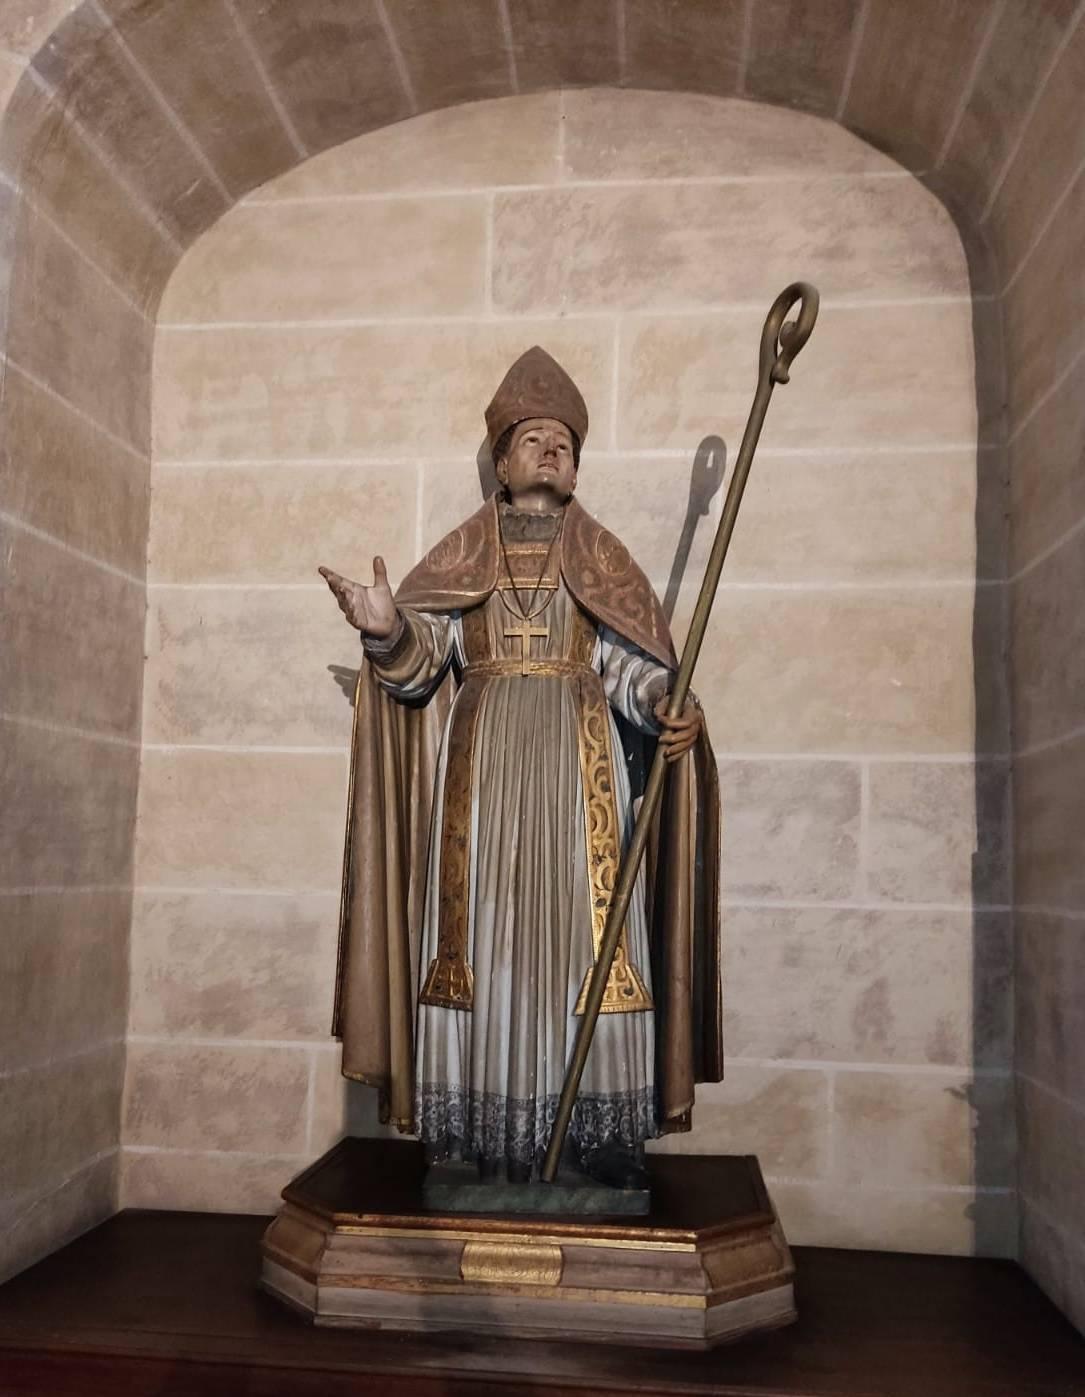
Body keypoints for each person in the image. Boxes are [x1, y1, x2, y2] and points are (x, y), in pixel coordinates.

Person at [321, 347, 722, 1188]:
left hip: (584, 779)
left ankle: (595, 1135)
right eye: (532, 437)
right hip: (487, 774)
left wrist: (662, 700)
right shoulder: (463, 556)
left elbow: (628, 665)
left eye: (563, 441)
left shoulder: (603, 563)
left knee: (590, 945)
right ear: (500, 461)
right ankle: (471, 1127)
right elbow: (422, 660)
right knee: (482, 944)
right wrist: (386, 628)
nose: (550, 449)